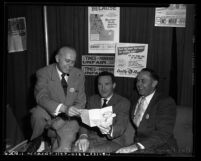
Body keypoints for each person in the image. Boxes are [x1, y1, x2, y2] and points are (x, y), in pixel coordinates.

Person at [30, 46, 86, 152]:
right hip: (49, 114)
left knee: (64, 148)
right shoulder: (43, 73)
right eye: (67, 61)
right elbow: (41, 97)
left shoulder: (79, 74)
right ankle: (38, 140)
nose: (70, 66)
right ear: (57, 58)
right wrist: (63, 109)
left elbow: (81, 101)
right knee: (37, 114)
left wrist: (64, 118)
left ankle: (55, 144)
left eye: (73, 62)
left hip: (69, 119)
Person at [116, 68, 178, 154]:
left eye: (143, 81)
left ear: (154, 83)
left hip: (163, 147)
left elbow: (163, 133)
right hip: (140, 145)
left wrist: (136, 146)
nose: (138, 84)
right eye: (138, 80)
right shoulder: (135, 99)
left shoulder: (165, 102)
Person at [73, 71, 131, 153]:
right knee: (75, 149)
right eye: (100, 84)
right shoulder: (92, 99)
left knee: (91, 152)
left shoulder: (123, 102)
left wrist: (109, 130)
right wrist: (83, 136)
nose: (103, 88)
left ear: (113, 85)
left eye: (107, 84)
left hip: (113, 141)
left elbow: (121, 126)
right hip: (92, 139)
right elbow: (84, 121)